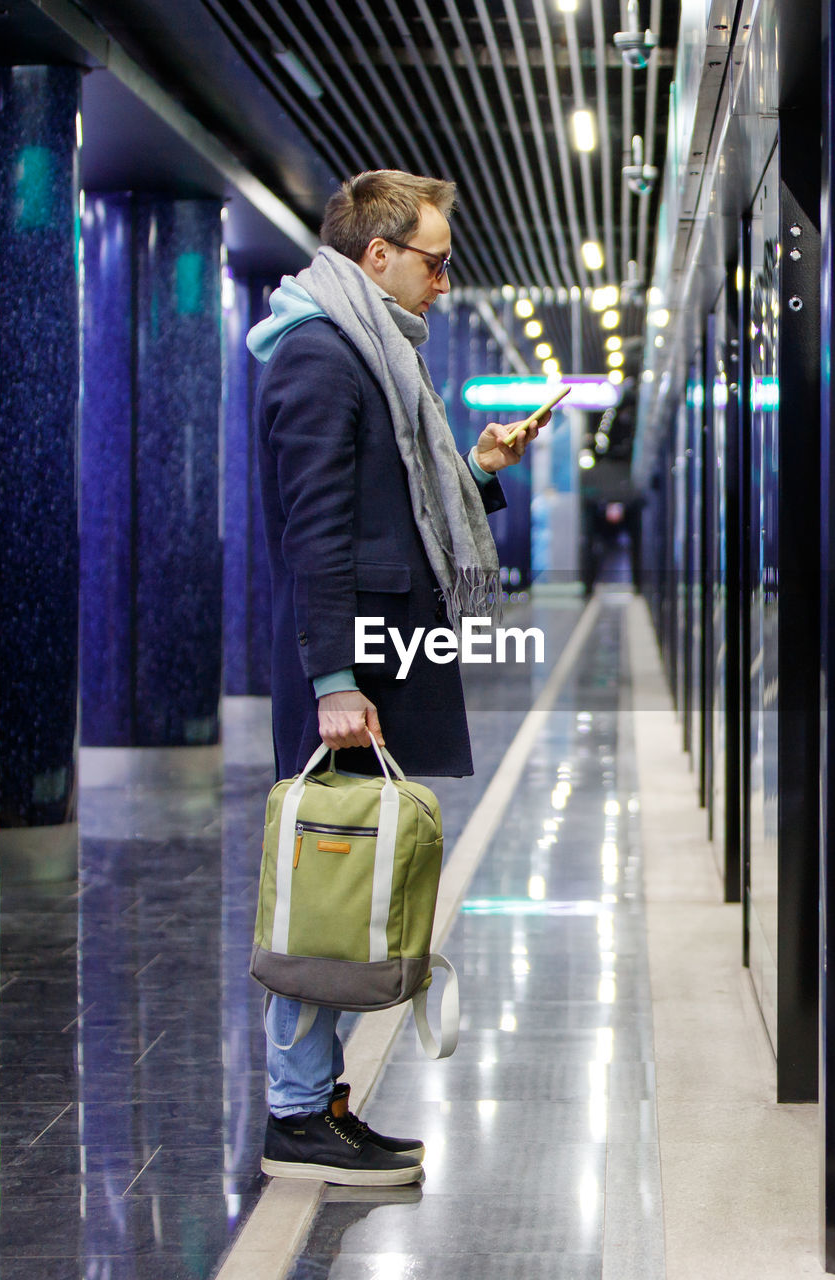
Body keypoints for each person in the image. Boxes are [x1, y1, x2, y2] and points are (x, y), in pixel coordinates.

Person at [246, 170, 546, 1186]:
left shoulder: (371, 357)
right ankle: (294, 1111)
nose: (443, 281)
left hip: (375, 652)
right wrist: (333, 674)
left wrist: (480, 465)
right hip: (348, 664)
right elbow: (314, 533)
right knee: (326, 874)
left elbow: (392, 507)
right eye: (434, 260)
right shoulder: (320, 357)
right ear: (376, 256)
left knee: (349, 870)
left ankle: (320, 1099)